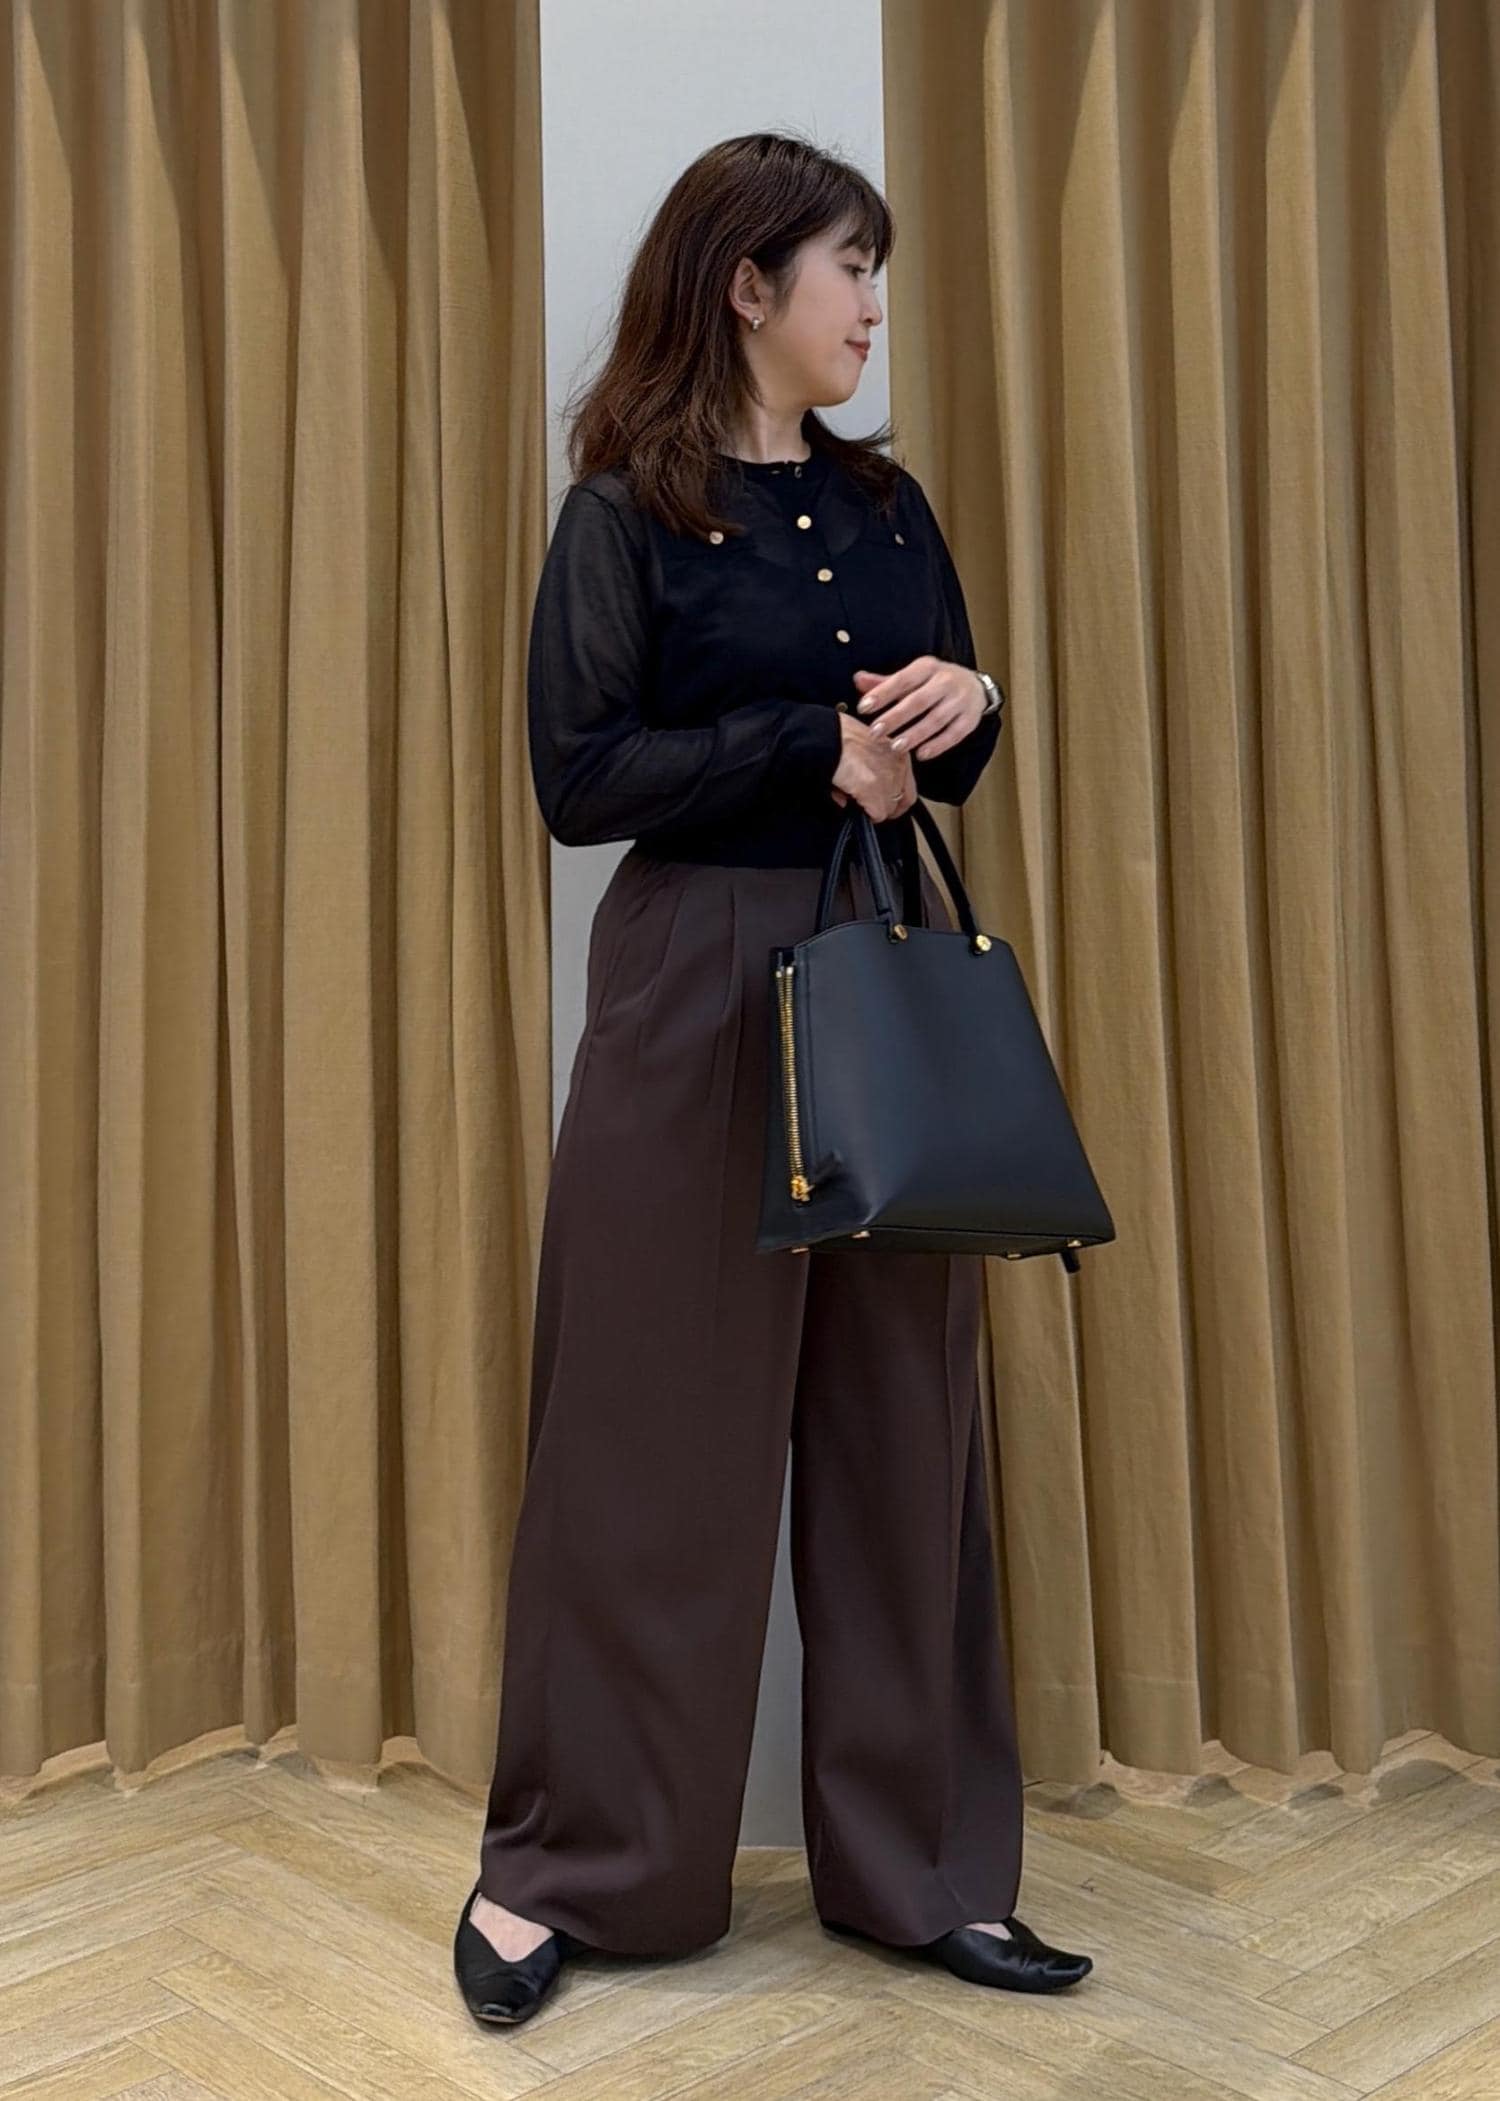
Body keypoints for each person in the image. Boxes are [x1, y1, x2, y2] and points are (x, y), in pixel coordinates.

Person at [453, 132, 1094, 2030]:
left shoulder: (890, 506)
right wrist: (801, 740)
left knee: (906, 1433)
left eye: (875, 271)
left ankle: (923, 1872)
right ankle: (573, 1868)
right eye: (848, 269)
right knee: (648, 1432)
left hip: (882, 972)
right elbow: (582, 777)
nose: (873, 305)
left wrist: (971, 704)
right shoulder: (620, 518)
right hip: (693, 985)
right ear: (747, 285)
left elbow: (945, 738)